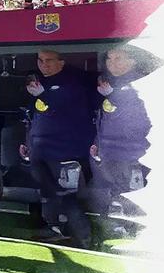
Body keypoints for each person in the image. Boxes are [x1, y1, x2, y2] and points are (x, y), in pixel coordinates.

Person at [19, 49, 97, 248]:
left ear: (61, 62)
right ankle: (54, 230)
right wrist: (27, 143)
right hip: (39, 151)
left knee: (66, 195)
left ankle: (84, 238)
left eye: (49, 60)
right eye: (40, 60)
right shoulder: (39, 85)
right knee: (47, 194)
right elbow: (34, 117)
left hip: (64, 152)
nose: (44, 64)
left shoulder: (73, 84)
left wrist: (44, 96)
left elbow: (69, 113)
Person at [90, 47, 153, 216]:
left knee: (133, 200)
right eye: (110, 58)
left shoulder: (142, 82)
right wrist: (97, 143)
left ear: (132, 61)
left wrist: (113, 96)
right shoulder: (110, 83)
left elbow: (141, 120)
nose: (112, 63)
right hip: (108, 153)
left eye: (118, 58)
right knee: (110, 199)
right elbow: (105, 118)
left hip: (132, 156)